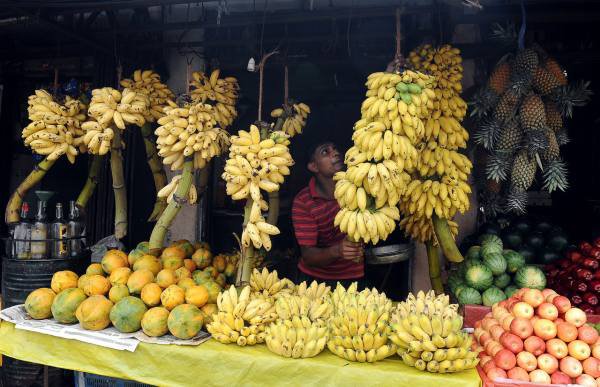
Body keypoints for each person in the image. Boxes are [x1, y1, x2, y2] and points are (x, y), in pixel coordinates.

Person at [292, 141, 364, 288]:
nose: (335, 153)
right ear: (313, 166)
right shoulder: (304, 202)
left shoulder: (360, 189)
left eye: (335, 148)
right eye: (325, 152)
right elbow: (308, 256)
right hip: (315, 281)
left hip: (354, 275)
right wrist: (338, 250)